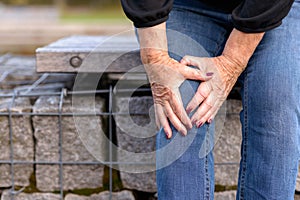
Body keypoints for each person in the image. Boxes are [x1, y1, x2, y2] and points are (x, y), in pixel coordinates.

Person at [121, 0, 300, 199]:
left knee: (275, 97)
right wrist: (155, 59)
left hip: (279, 8)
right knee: (181, 104)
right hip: (187, 5)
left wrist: (231, 62)